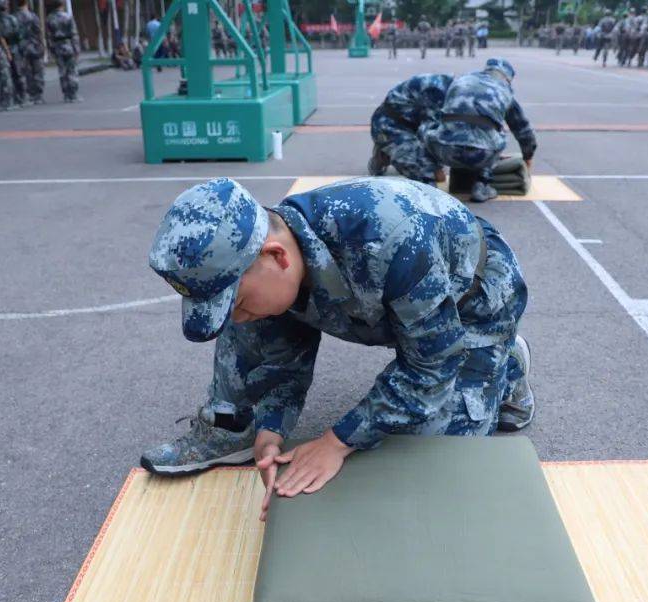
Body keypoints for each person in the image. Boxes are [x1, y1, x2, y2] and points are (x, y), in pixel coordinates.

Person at [140, 177, 534, 517]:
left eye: (236, 303)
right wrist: (271, 428)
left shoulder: (395, 238)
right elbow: (278, 354)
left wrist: (337, 441)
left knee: (430, 455)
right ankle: (232, 427)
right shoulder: (269, 251)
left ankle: (505, 362)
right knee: (252, 322)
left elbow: (431, 367)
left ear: (276, 256)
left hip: (472, 304)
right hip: (391, 301)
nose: (236, 317)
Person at [420, 58, 536, 203]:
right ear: (507, 78)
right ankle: (482, 184)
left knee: (425, 129)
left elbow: (438, 115)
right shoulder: (505, 90)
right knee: (498, 135)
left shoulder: (461, 81)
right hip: (482, 155)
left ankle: (428, 182)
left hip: (446, 151)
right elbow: (523, 131)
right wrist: (528, 156)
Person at [368, 72, 452, 184]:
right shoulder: (437, 91)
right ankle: (385, 152)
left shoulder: (453, 88)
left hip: (411, 124)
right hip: (390, 126)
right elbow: (430, 133)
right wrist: (436, 167)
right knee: (427, 176)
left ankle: (389, 151)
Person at [45, 0, 78, 101]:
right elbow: (74, 34)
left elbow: (48, 36)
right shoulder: (68, 17)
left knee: (62, 71)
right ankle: (73, 94)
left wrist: (51, 49)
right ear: (61, 5)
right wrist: (76, 48)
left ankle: (66, 94)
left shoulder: (49, 19)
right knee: (71, 70)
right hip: (68, 45)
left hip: (57, 46)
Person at [14, 0, 42, 103]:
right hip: (34, 45)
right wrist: (41, 45)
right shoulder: (33, 16)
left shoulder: (14, 17)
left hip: (21, 47)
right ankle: (38, 96)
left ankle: (30, 94)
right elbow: (38, 31)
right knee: (37, 70)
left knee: (26, 71)